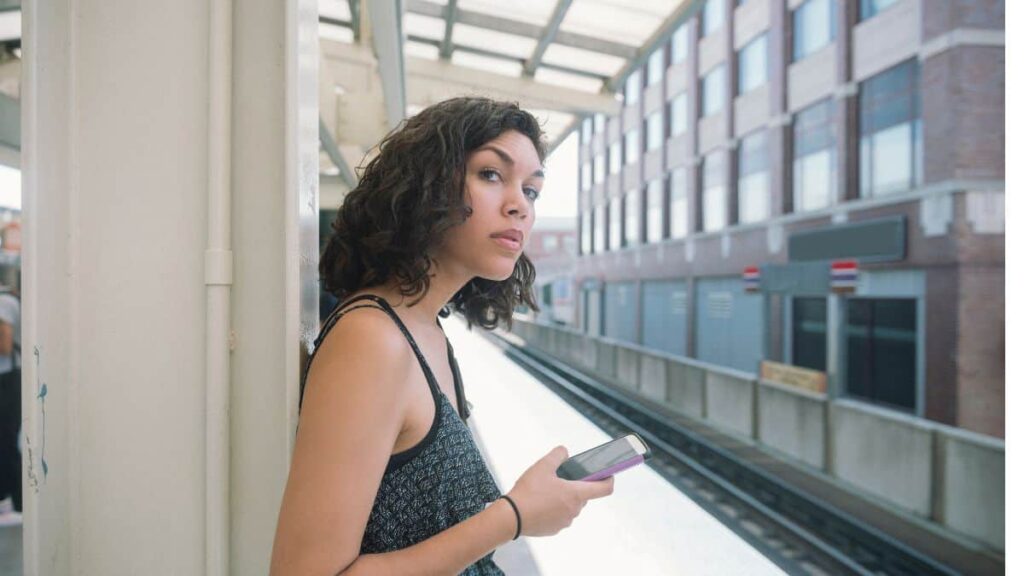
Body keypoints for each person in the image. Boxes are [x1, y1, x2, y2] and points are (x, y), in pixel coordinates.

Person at [270, 97, 614, 575]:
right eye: (491, 175)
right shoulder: (372, 340)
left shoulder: (426, 330)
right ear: (425, 185)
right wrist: (513, 516)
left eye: (531, 191)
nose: (519, 206)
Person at [0, 283, 21, 520]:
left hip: (7, 381)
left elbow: (4, 346)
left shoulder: (4, 303)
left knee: (5, 442)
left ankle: (15, 503)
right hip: (6, 379)